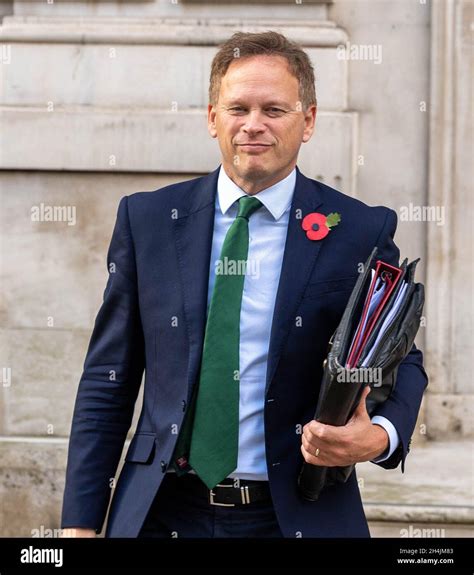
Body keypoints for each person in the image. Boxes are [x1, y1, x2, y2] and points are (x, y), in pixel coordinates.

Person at [61, 31, 428, 538]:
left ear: (309, 121)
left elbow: (403, 357)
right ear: (213, 118)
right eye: (238, 108)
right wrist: (79, 524)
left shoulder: (360, 231)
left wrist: (380, 437)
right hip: (161, 513)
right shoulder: (147, 221)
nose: (253, 125)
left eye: (274, 110)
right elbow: (108, 380)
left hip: (295, 513)